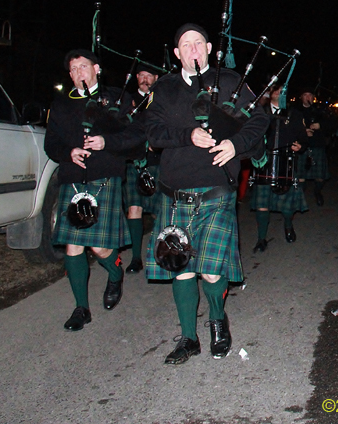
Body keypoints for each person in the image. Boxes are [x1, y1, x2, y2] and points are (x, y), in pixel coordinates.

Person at [144, 24, 269, 364]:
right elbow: (153, 131)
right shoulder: (165, 88)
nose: (193, 49)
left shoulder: (230, 81)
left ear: (210, 48)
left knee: (212, 271)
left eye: (198, 43)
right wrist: (188, 135)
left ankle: (217, 319)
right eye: (186, 45)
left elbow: (260, 119)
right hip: (175, 191)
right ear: (177, 53)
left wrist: (235, 144)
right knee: (181, 268)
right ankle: (188, 338)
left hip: (216, 189)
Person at [44, 49, 133, 331]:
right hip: (73, 178)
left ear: (96, 69)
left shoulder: (117, 99)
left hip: (104, 176)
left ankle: (115, 272)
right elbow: (51, 144)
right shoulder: (61, 104)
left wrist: (107, 141)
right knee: (74, 244)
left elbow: (134, 138)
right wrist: (68, 152)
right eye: (73, 69)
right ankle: (81, 308)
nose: (78, 72)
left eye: (83, 66)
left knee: (100, 247)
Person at [250, 83, 308, 249]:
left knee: (287, 205)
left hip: (286, 162)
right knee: (262, 205)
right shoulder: (260, 112)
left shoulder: (293, 114)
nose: (282, 94)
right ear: (271, 93)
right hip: (264, 161)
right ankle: (261, 239)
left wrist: (300, 146)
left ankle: (288, 225)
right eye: (279, 91)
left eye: (285, 92)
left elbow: (303, 138)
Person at [121, 65, 160, 273]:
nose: (145, 79)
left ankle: (161, 252)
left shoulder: (161, 98)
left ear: (156, 77)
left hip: (157, 161)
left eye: (149, 76)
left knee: (159, 210)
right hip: (134, 160)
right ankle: (136, 257)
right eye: (141, 76)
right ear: (136, 77)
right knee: (134, 208)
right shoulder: (128, 100)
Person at [295, 88, 335, 206]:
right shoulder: (295, 110)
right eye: (305, 94)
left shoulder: (320, 110)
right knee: (301, 176)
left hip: (318, 145)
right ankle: (300, 197)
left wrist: (320, 125)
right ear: (301, 96)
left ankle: (317, 192)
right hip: (302, 146)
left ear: (313, 97)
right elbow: (290, 127)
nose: (308, 97)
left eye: (310, 95)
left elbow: (332, 125)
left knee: (320, 177)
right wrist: (303, 131)